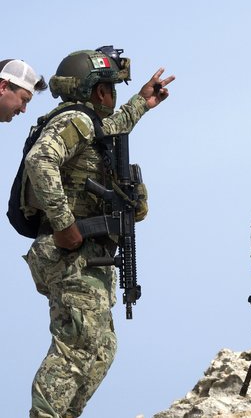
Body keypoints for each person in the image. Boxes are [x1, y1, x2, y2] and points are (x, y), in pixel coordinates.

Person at [22, 46, 174, 418]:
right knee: (77, 344)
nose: (113, 95)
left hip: (89, 256)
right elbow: (40, 160)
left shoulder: (91, 124)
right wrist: (64, 224)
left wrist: (142, 103)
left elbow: (112, 127)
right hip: (70, 253)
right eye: (110, 88)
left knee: (101, 349)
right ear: (97, 91)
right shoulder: (77, 120)